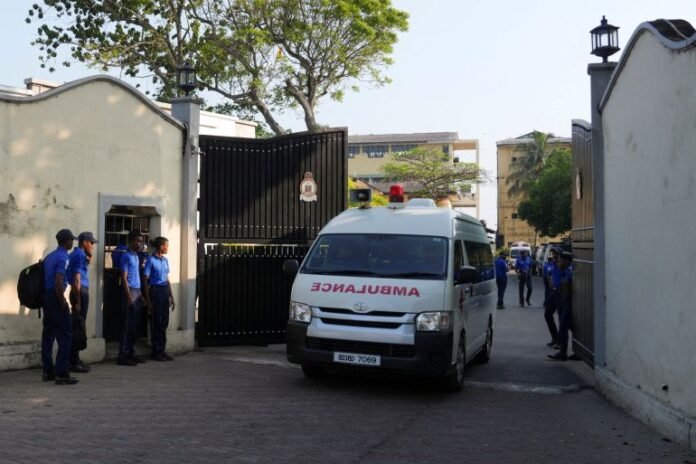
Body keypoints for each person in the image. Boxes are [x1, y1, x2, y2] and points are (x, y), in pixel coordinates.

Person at [41, 229, 79, 385]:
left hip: (46, 297)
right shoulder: (63, 257)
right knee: (66, 334)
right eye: (71, 240)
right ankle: (62, 373)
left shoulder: (50, 256)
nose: (72, 243)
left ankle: (48, 371)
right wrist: (63, 300)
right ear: (66, 241)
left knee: (48, 334)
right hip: (56, 297)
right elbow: (58, 281)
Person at [67, 231, 98, 373]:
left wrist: (89, 256)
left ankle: (75, 359)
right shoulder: (79, 255)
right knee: (78, 328)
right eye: (91, 243)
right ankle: (73, 362)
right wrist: (78, 300)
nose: (92, 246)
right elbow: (77, 279)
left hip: (78, 291)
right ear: (84, 242)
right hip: (80, 292)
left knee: (77, 326)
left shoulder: (77, 254)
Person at [117, 230, 149, 366]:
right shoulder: (126, 256)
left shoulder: (136, 256)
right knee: (127, 326)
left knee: (134, 326)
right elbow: (124, 278)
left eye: (141, 241)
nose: (140, 243)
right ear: (131, 241)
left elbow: (136, 277)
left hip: (136, 292)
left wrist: (141, 295)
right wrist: (129, 298)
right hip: (129, 292)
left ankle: (130, 353)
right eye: (138, 241)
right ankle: (122, 356)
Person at [143, 237, 175, 361]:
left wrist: (172, 296)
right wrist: (148, 301)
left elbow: (167, 279)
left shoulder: (165, 260)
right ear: (161, 246)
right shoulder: (151, 260)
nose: (168, 248)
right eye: (166, 245)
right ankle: (156, 351)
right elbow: (146, 280)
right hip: (155, 291)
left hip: (165, 290)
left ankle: (162, 350)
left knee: (164, 322)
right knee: (156, 322)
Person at [548, 252, 580, 361]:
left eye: (560, 261)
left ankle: (563, 352)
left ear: (566, 261)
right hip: (564, 301)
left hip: (569, 303)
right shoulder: (564, 271)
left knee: (563, 326)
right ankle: (578, 351)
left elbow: (569, 289)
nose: (558, 263)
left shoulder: (570, 273)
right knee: (571, 326)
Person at [542, 249, 559, 347]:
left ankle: (561, 342)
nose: (554, 257)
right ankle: (555, 338)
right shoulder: (550, 265)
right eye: (553, 255)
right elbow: (547, 277)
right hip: (552, 293)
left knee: (564, 320)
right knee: (547, 315)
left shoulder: (564, 266)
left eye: (556, 255)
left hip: (561, 295)